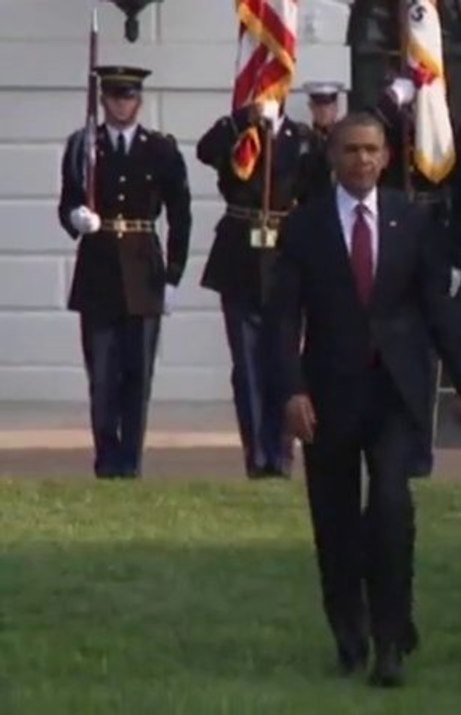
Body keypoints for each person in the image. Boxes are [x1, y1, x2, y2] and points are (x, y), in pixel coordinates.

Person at [267, 112, 461, 688]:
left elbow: (439, 305)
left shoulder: (412, 222)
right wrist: (290, 390)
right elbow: (283, 317)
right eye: (351, 151)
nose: (362, 160)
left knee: (391, 508)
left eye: (371, 150)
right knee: (336, 519)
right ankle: (349, 633)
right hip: (328, 393)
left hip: (395, 390)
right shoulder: (307, 227)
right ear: (334, 157)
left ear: (387, 156)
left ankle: (392, 638)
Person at [56, 65, 192, 479]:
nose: (121, 104)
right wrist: (75, 218)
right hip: (97, 269)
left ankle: (130, 459)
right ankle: (106, 457)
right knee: (101, 374)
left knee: (137, 374)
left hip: (141, 269)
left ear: (139, 101)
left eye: (128, 96)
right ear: (103, 101)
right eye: (114, 97)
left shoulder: (160, 149)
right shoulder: (84, 146)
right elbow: (66, 203)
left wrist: (172, 275)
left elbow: (180, 215)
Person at [197, 95, 308, 479]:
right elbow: (205, 150)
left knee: (283, 360)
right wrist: (245, 118)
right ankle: (257, 455)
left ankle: (281, 452)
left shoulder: (301, 138)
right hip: (240, 259)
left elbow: (318, 182)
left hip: (285, 259)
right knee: (246, 366)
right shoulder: (236, 132)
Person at [374, 73, 461, 478]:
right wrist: (390, 99)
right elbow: (361, 127)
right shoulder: (387, 125)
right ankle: (392, 445)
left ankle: (421, 449)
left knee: (428, 358)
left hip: (433, 244)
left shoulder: (446, 126)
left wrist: (456, 256)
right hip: (392, 241)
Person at [296, 81, 344, 205]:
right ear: (311, 107)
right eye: (318, 106)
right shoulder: (302, 137)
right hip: (311, 203)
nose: (323, 111)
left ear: (336, 108)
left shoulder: (345, 137)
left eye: (328, 106)